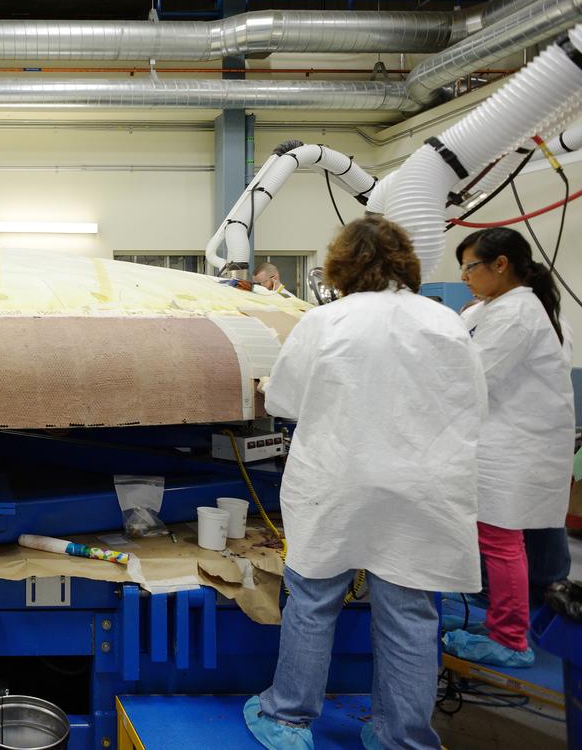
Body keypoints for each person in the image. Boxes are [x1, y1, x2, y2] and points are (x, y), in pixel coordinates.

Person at [244, 216, 486, 750]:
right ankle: (401, 737)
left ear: (341, 266)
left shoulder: (325, 321)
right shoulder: (447, 323)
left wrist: (271, 383)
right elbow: (474, 404)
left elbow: (284, 401)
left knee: (312, 600)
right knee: (410, 617)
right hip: (422, 489)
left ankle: (288, 719)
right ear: (407, 264)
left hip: (338, 481)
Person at [443, 227, 575, 668]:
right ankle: (502, 619)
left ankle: (510, 638)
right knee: (500, 539)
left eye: (470, 267)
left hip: (513, 447)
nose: (464, 277)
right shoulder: (499, 307)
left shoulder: (516, 312)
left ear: (501, 265)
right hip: (508, 442)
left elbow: (471, 378)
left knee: (501, 541)